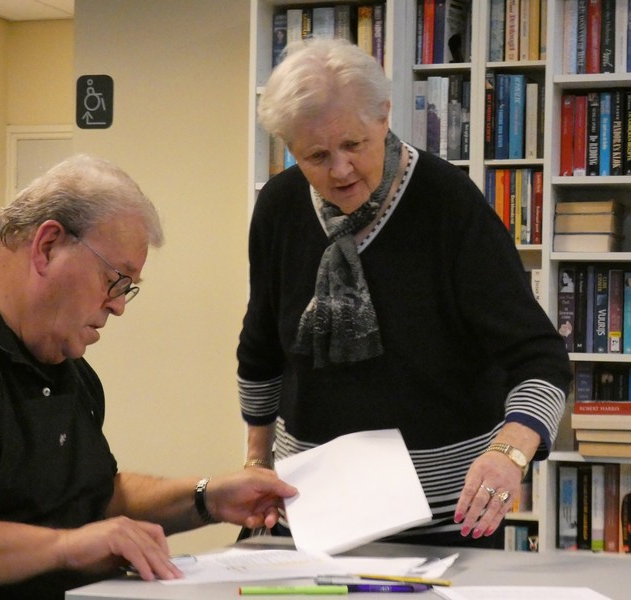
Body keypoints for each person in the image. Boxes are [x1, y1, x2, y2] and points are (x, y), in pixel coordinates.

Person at [0, 155, 297, 599]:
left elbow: (91, 496)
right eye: (116, 279)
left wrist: (208, 497)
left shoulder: (66, 367)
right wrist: (65, 547)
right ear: (48, 246)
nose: (118, 305)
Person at [237, 39, 572, 548]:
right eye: (316, 156)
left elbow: (540, 358)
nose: (340, 170)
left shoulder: (448, 204)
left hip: (442, 520)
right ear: (289, 146)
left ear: (384, 116)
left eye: (353, 145)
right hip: (306, 507)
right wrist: (256, 463)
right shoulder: (279, 207)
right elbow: (261, 348)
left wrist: (510, 452)